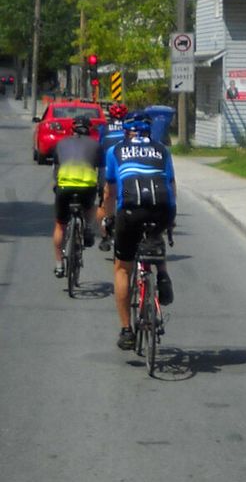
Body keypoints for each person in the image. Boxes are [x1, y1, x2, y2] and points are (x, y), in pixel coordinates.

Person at [99, 117, 176, 350]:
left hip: (131, 210)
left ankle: (126, 331)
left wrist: (107, 218)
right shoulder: (162, 150)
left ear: (126, 133)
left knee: (123, 268)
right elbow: (171, 186)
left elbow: (110, 192)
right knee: (155, 235)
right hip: (162, 209)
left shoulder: (115, 150)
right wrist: (170, 220)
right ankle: (162, 275)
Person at [51, 114, 104, 278]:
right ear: (89, 130)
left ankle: (59, 265)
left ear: (72, 129)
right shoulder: (96, 145)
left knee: (60, 225)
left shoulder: (61, 143)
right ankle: (88, 228)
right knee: (91, 206)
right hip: (87, 187)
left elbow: (55, 169)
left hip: (64, 187)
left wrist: (57, 184)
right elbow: (101, 172)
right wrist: (101, 190)